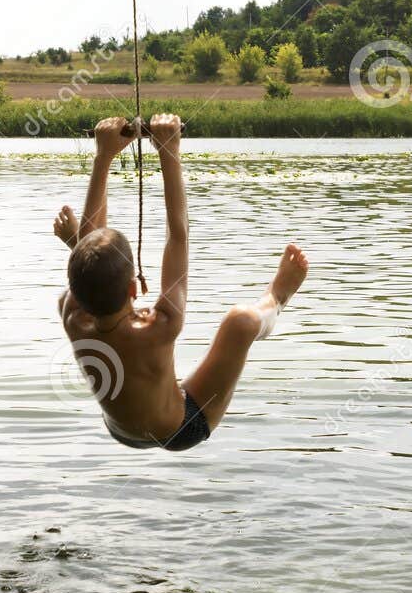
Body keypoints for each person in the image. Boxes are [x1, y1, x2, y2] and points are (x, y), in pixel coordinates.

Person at [53, 114, 308, 451]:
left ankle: (85, 253)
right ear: (133, 289)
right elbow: (178, 236)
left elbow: (89, 249)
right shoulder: (159, 326)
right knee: (242, 322)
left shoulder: (71, 313)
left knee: (88, 262)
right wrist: (169, 151)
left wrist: (104, 157)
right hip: (180, 426)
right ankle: (278, 297)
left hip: (121, 429)